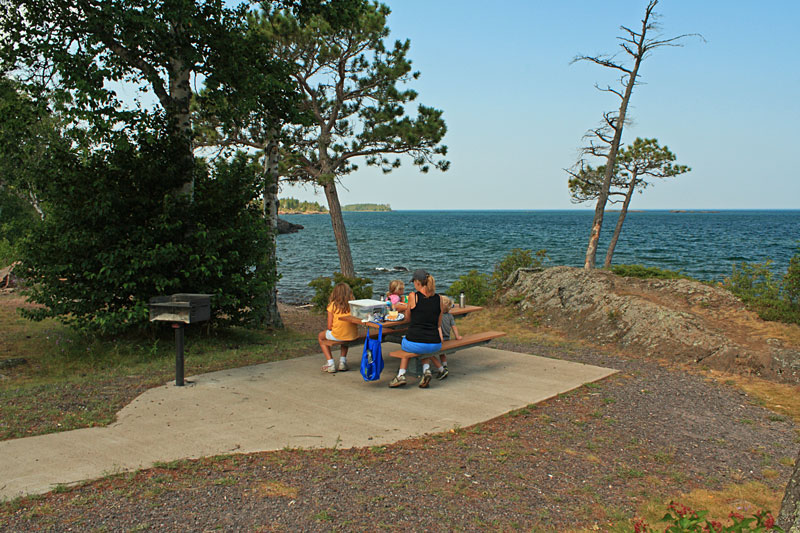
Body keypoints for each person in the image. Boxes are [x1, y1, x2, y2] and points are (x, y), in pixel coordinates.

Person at [389, 269, 447, 389]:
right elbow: (438, 323)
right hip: (435, 343)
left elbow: (408, 318)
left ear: (417, 283)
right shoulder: (439, 298)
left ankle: (401, 375)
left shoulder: (413, 296)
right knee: (423, 345)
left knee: (406, 341)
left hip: (417, 341)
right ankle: (426, 370)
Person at [317, 282, 359, 373]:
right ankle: (342, 362)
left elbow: (329, 326)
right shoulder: (352, 306)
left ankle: (330, 363)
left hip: (338, 334)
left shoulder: (332, 305)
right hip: (351, 335)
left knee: (321, 336)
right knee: (345, 338)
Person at [437, 296, 462, 379]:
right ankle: (445, 365)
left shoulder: (437, 316)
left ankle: (438, 367)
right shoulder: (450, 316)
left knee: (437, 351)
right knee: (442, 353)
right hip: (447, 338)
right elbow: (454, 327)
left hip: (439, 339)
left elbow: (438, 327)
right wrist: (457, 336)